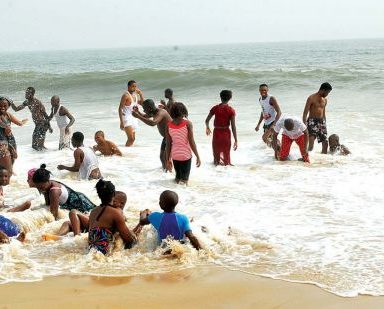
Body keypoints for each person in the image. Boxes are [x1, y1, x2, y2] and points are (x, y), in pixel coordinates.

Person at [88, 179, 137, 255]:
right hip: (105, 253)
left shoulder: (93, 211)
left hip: (90, 250)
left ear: (98, 195)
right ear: (114, 194)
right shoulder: (115, 213)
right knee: (133, 239)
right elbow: (128, 239)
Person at [165, 103, 201, 185]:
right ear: (184, 111)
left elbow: (168, 144)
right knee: (184, 181)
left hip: (175, 155)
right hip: (185, 155)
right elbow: (191, 142)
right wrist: (197, 156)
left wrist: (168, 159)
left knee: (177, 178)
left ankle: (175, 191)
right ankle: (184, 195)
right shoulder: (188, 124)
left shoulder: (168, 125)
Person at [132, 99, 172, 170]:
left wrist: (138, 116)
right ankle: (165, 173)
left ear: (150, 108)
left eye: (144, 109)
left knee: (166, 157)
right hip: (166, 137)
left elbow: (153, 123)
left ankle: (170, 173)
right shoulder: (153, 112)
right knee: (162, 157)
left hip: (172, 137)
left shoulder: (161, 112)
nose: (144, 111)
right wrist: (138, 112)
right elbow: (145, 116)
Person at [205, 90, 238, 166]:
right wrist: (236, 140)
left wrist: (207, 128)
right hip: (226, 133)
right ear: (230, 98)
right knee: (226, 153)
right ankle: (226, 169)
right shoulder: (231, 110)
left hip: (216, 133)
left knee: (216, 153)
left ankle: (217, 170)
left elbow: (206, 120)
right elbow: (233, 127)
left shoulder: (215, 108)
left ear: (220, 97)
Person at [302, 82, 333, 154]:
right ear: (323, 90)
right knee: (311, 144)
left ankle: (323, 160)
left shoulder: (325, 100)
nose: (327, 94)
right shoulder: (311, 98)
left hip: (321, 122)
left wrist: (325, 124)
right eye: (327, 92)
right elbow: (305, 113)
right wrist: (304, 126)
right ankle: (306, 158)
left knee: (325, 143)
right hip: (312, 122)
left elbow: (323, 113)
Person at [0, 96, 28, 173]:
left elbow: (19, 123)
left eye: (4, 106)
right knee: (4, 156)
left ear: (8, 106)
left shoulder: (8, 115)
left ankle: (10, 171)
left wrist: (23, 121)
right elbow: (3, 125)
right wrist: (6, 126)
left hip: (10, 138)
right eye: (0, 106)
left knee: (13, 156)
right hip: (1, 140)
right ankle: (5, 173)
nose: (2, 107)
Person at [118, 80, 144, 146]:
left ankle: (128, 153)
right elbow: (120, 108)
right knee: (131, 138)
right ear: (128, 86)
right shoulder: (125, 95)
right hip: (126, 118)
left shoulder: (135, 95)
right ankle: (125, 153)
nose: (134, 88)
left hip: (134, 118)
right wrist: (121, 122)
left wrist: (140, 94)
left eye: (135, 86)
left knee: (133, 138)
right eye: (133, 86)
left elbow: (142, 103)